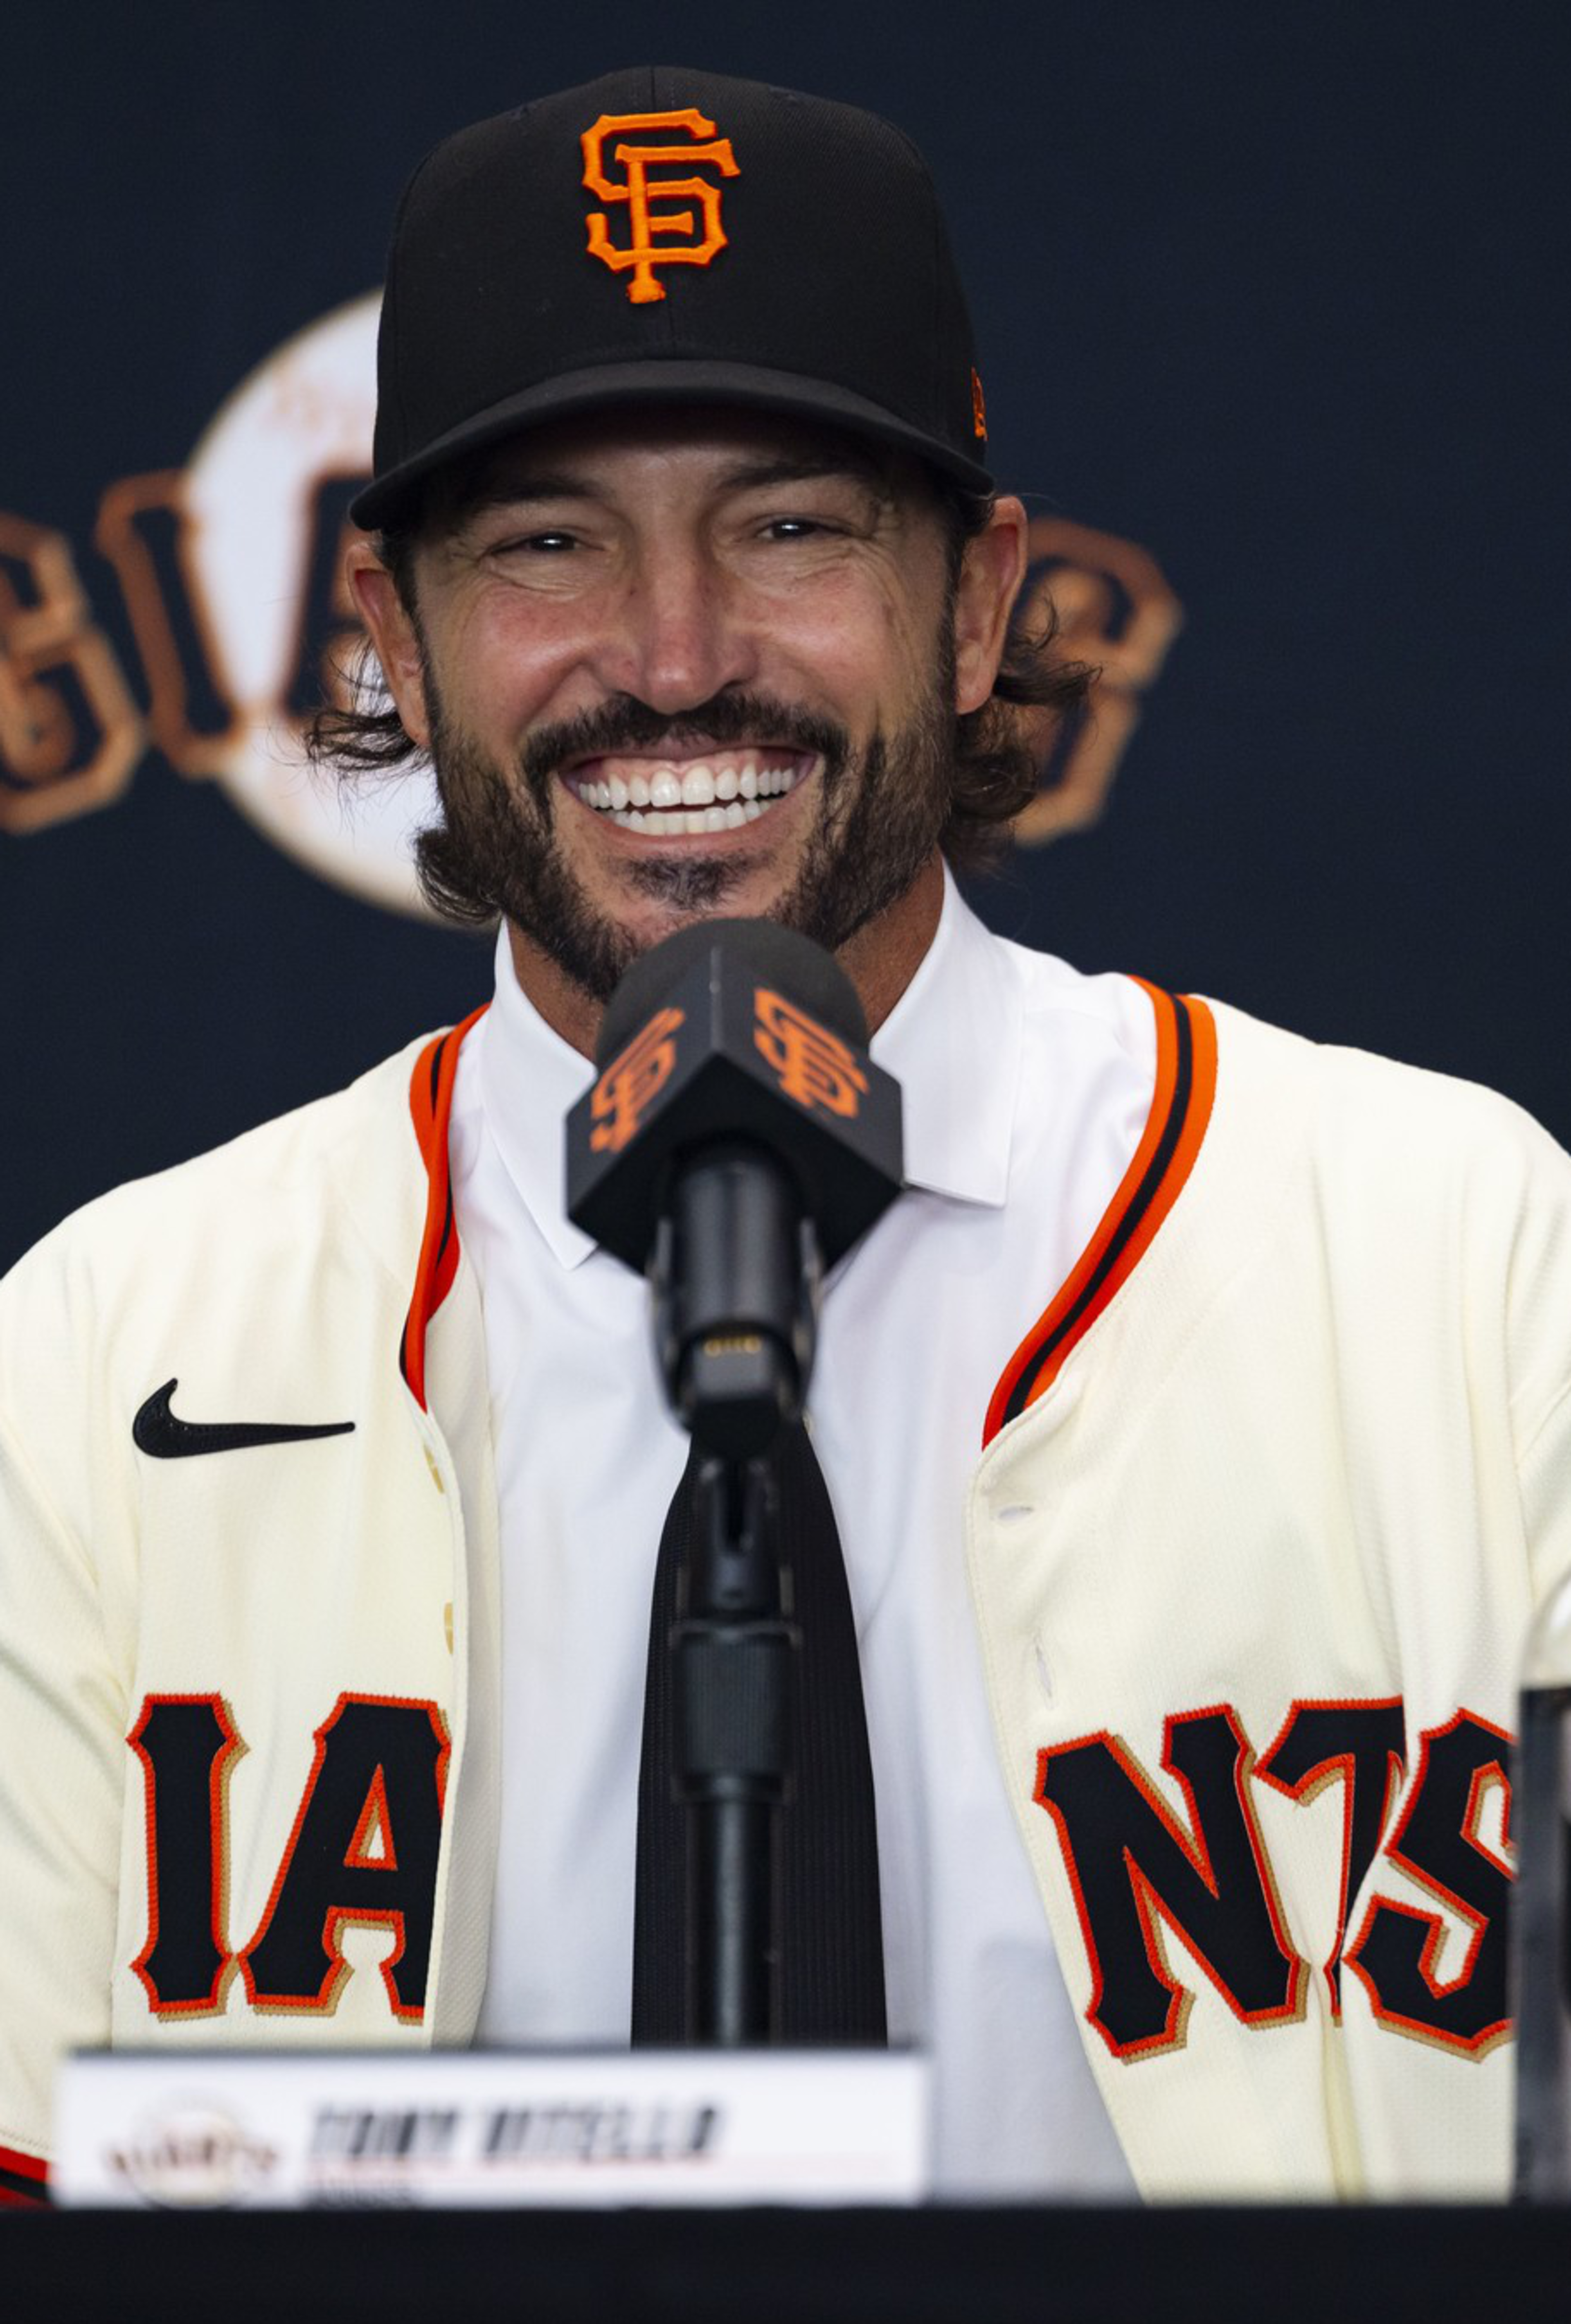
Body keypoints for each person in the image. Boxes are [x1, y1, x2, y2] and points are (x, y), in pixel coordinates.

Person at [2, 65, 1568, 2210]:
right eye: (549, 540)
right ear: (393, 632)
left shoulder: (1466, 1267)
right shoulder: (98, 1366)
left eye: (793, 525)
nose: (673, 654)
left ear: (978, 594)